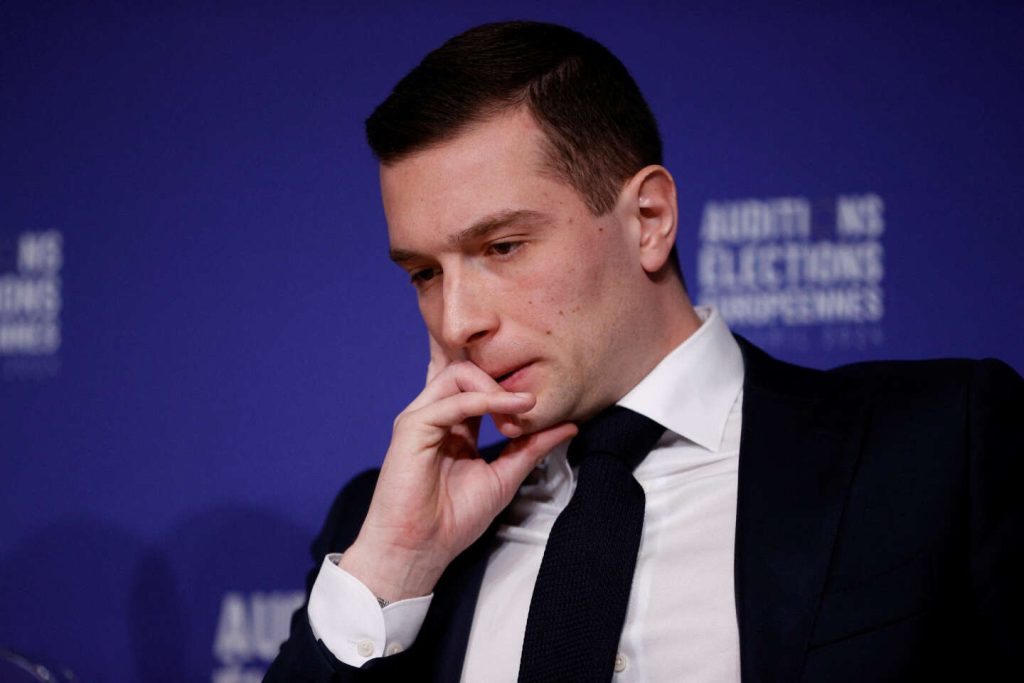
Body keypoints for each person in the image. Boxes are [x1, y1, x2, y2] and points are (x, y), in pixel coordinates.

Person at [265, 20, 1022, 683]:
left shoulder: (937, 446)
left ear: (650, 219)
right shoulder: (381, 529)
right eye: (424, 274)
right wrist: (396, 566)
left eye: (502, 246)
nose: (457, 321)